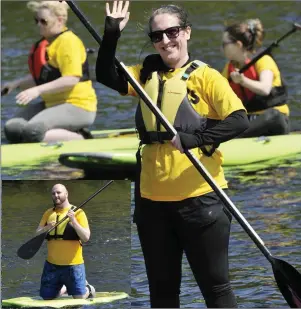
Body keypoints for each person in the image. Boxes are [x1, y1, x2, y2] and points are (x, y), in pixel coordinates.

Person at [96, 1, 249, 308]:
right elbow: (104, 74)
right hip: (152, 204)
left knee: (215, 290)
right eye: (157, 36)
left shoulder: (206, 77)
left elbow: (239, 120)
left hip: (200, 200)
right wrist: (112, 32)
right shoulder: (145, 75)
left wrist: (198, 138)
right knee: (163, 295)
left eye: (172, 32)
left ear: (186, 32)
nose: (165, 41)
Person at [2, 1, 97, 143]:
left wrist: (37, 91)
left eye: (43, 21)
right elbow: (43, 78)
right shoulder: (46, 44)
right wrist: (15, 84)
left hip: (78, 106)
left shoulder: (68, 42)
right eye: (37, 21)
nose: (39, 25)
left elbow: (71, 79)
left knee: (33, 131)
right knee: (12, 128)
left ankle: (82, 138)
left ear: (59, 20)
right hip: (52, 105)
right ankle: (53, 133)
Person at [221, 18, 290, 137]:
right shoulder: (229, 68)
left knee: (273, 116)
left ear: (238, 45)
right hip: (249, 120)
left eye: (225, 44)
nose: (221, 48)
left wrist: (243, 80)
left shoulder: (264, 61)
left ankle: (227, 138)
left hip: (274, 119)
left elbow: (265, 89)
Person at [36, 183, 95, 300]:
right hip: (52, 265)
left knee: (79, 298)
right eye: (53, 193)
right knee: (47, 298)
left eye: (59, 192)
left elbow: (86, 237)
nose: (56, 195)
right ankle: (65, 287)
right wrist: (47, 228)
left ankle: (88, 288)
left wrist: (74, 221)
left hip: (73, 265)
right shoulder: (48, 213)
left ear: (66, 194)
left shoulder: (78, 212)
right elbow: (36, 233)